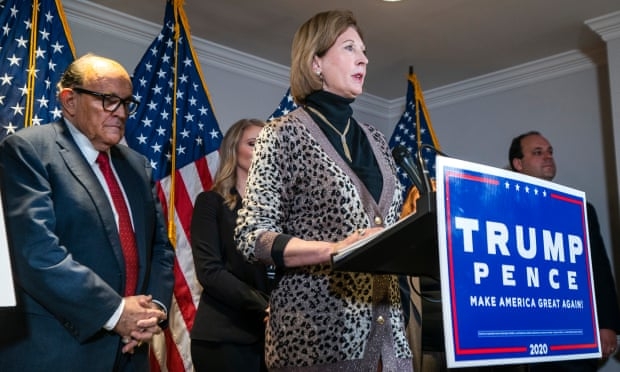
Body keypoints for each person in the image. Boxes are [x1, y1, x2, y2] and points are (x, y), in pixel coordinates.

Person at [235, 9, 413, 371]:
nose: (363, 58)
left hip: (390, 340)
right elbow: (251, 235)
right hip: (315, 336)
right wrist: (332, 251)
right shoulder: (282, 134)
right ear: (315, 62)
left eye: (364, 50)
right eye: (349, 48)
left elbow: (389, 231)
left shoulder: (377, 141)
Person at [0, 54, 175, 371]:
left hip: (131, 352)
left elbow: (160, 249)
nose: (120, 113)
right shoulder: (28, 149)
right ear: (69, 101)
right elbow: (35, 252)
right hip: (56, 351)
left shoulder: (137, 165)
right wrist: (116, 312)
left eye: (126, 103)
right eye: (108, 101)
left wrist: (154, 311)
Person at [509, 131, 620, 371]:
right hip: (522, 338)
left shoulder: (579, 209)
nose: (548, 157)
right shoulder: (501, 207)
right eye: (537, 153)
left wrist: (607, 324)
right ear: (518, 163)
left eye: (550, 152)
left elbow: (598, 268)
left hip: (573, 337)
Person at [190, 118, 272, 372]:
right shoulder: (210, 203)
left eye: (267, 143)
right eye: (252, 142)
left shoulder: (278, 212)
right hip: (224, 338)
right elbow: (210, 271)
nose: (262, 149)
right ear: (233, 150)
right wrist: (265, 306)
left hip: (273, 339)